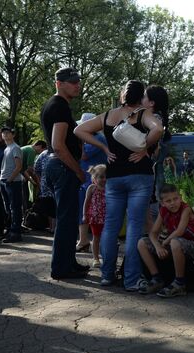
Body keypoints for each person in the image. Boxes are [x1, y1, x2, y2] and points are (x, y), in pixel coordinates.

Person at [74, 80, 163, 290]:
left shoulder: (108, 116)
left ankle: (106, 275)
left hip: (114, 177)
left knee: (110, 226)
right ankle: (131, 280)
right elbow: (158, 129)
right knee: (133, 227)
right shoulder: (143, 114)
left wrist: (104, 149)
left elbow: (79, 130)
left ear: (122, 94)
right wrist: (145, 147)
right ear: (141, 96)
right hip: (140, 175)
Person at [41, 67, 89, 280]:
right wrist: (78, 170)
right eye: (71, 81)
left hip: (56, 166)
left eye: (77, 81)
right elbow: (58, 145)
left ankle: (68, 262)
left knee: (67, 219)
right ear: (58, 83)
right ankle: (61, 268)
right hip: (62, 166)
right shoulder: (59, 106)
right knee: (66, 220)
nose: (76, 84)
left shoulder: (56, 105)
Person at [137, 183, 194, 297]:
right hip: (174, 243)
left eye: (175, 199)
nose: (173, 203)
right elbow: (153, 233)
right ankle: (157, 279)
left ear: (180, 197)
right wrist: (158, 247)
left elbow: (179, 231)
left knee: (175, 241)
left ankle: (180, 283)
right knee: (142, 242)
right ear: (162, 203)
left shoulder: (186, 209)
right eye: (168, 201)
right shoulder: (163, 211)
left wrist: (164, 242)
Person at [75, 112, 108, 253]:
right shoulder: (94, 138)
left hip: (93, 183)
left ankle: (85, 241)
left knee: (89, 211)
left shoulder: (98, 139)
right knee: (84, 211)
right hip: (87, 181)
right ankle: (84, 240)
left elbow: (83, 155)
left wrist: (80, 142)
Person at [0, 126, 23, 243]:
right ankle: (10, 230)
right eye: (3, 133)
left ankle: (16, 233)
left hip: (12, 182)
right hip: (3, 181)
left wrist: (9, 180)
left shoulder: (15, 148)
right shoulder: (6, 148)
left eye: (8, 133)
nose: (5, 135)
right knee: (8, 208)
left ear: (13, 134)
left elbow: (19, 167)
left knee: (15, 208)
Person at [82, 164, 107, 268]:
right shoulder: (92, 188)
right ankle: (96, 258)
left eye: (106, 177)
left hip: (107, 218)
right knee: (96, 238)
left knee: (106, 239)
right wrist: (84, 214)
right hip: (95, 218)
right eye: (101, 177)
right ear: (94, 178)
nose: (104, 179)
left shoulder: (110, 188)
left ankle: (106, 257)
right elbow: (86, 202)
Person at [33, 148, 56, 233]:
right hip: (53, 185)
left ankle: (52, 227)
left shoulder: (43, 153)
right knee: (53, 205)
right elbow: (36, 168)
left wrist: (40, 180)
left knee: (49, 206)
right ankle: (54, 227)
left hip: (46, 185)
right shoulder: (62, 150)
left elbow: (36, 168)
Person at [21, 140, 47, 212]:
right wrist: (38, 183)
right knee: (25, 197)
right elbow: (30, 169)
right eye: (43, 150)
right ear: (39, 146)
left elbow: (24, 169)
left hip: (14, 174)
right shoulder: (32, 151)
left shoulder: (27, 148)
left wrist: (32, 181)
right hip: (14, 175)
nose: (41, 153)